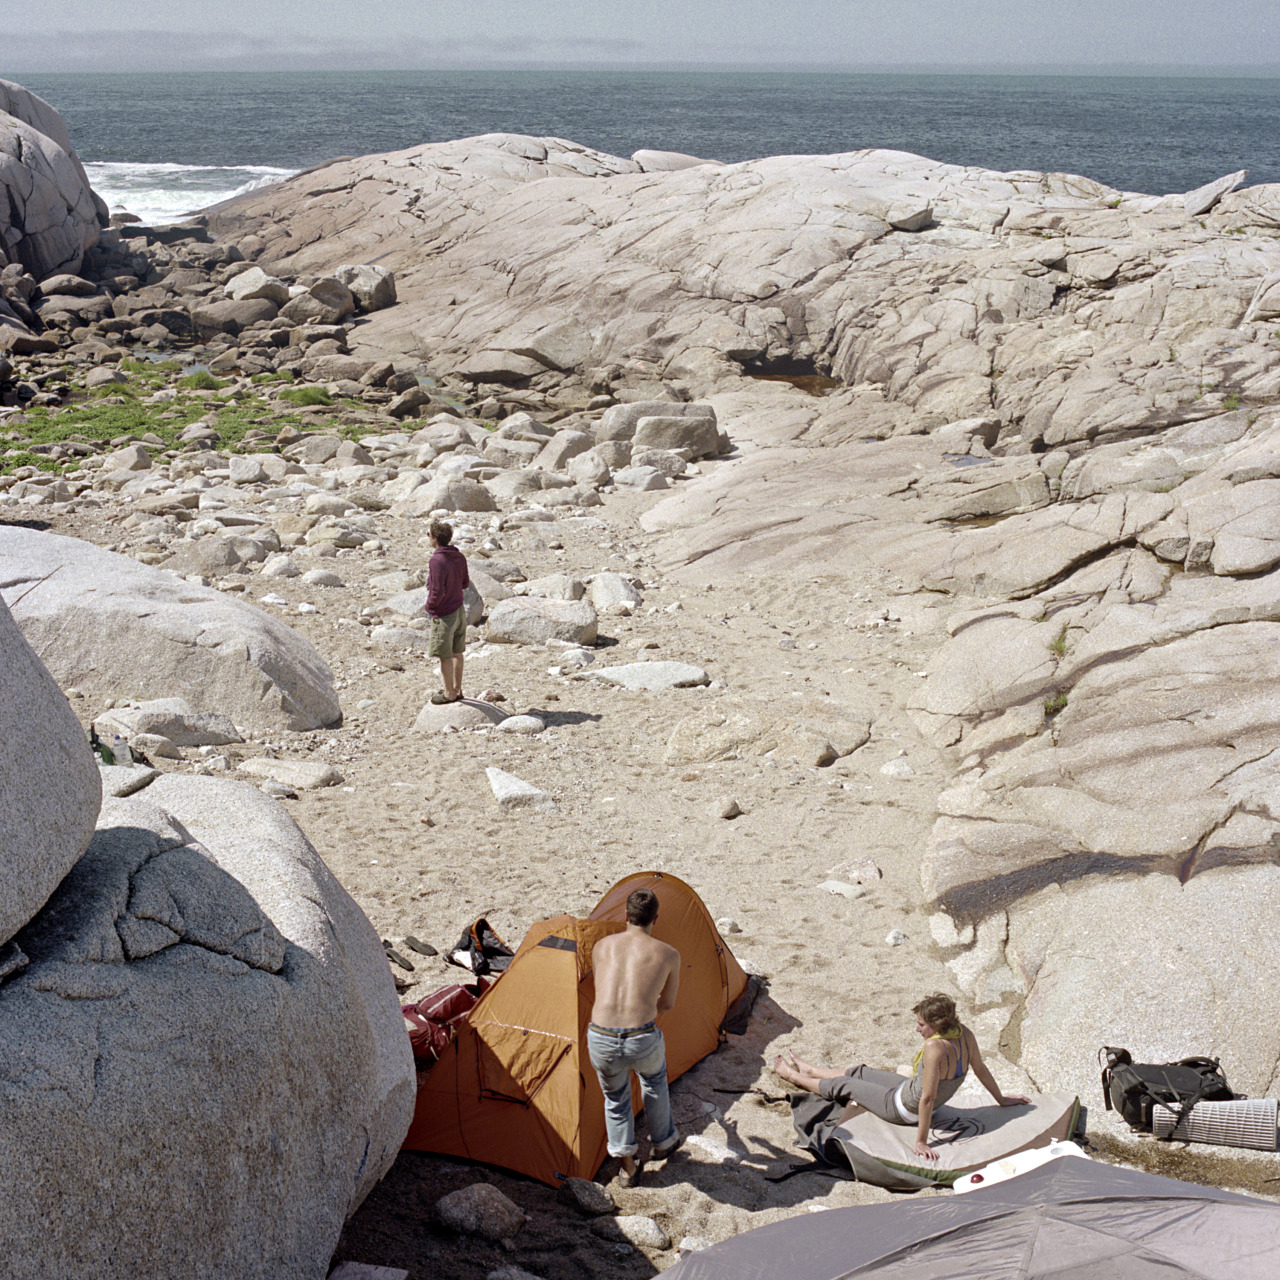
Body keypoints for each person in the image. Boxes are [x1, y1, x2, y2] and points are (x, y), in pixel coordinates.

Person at [772, 992, 1030, 1161]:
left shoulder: (934, 1048)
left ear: (937, 1025)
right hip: (909, 1089)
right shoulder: (964, 1033)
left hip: (905, 1109)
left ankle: (794, 1077)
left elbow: (927, 1099)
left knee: (848, 1084)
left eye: (921, 1025)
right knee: (863, 1072)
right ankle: (812, 1071)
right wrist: (1001, 1100)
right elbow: (981, 1069)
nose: (917, 1029)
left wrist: (921, 1141)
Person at [588, 888, 682, 1186]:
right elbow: (667, 1005)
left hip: (601, 1037)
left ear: (625, 915)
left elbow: (602, 988)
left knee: (615, 1099)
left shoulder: (601, 946)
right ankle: (663, 1141)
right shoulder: (668, 953)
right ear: (655, 919)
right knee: (653, 1079)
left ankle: (628, 1168)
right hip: (640, 1037)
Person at [425, 520, 469, 704]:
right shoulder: (458, 556)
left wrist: (430, 607)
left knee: (445, 655)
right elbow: (465, 583)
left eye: (429, 535)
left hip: (445, 613)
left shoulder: (437, 560)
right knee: (457, 652)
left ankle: (449, 692)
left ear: (434, 538)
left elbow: (436, 591)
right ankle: (457, 689)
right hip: (459, 609)